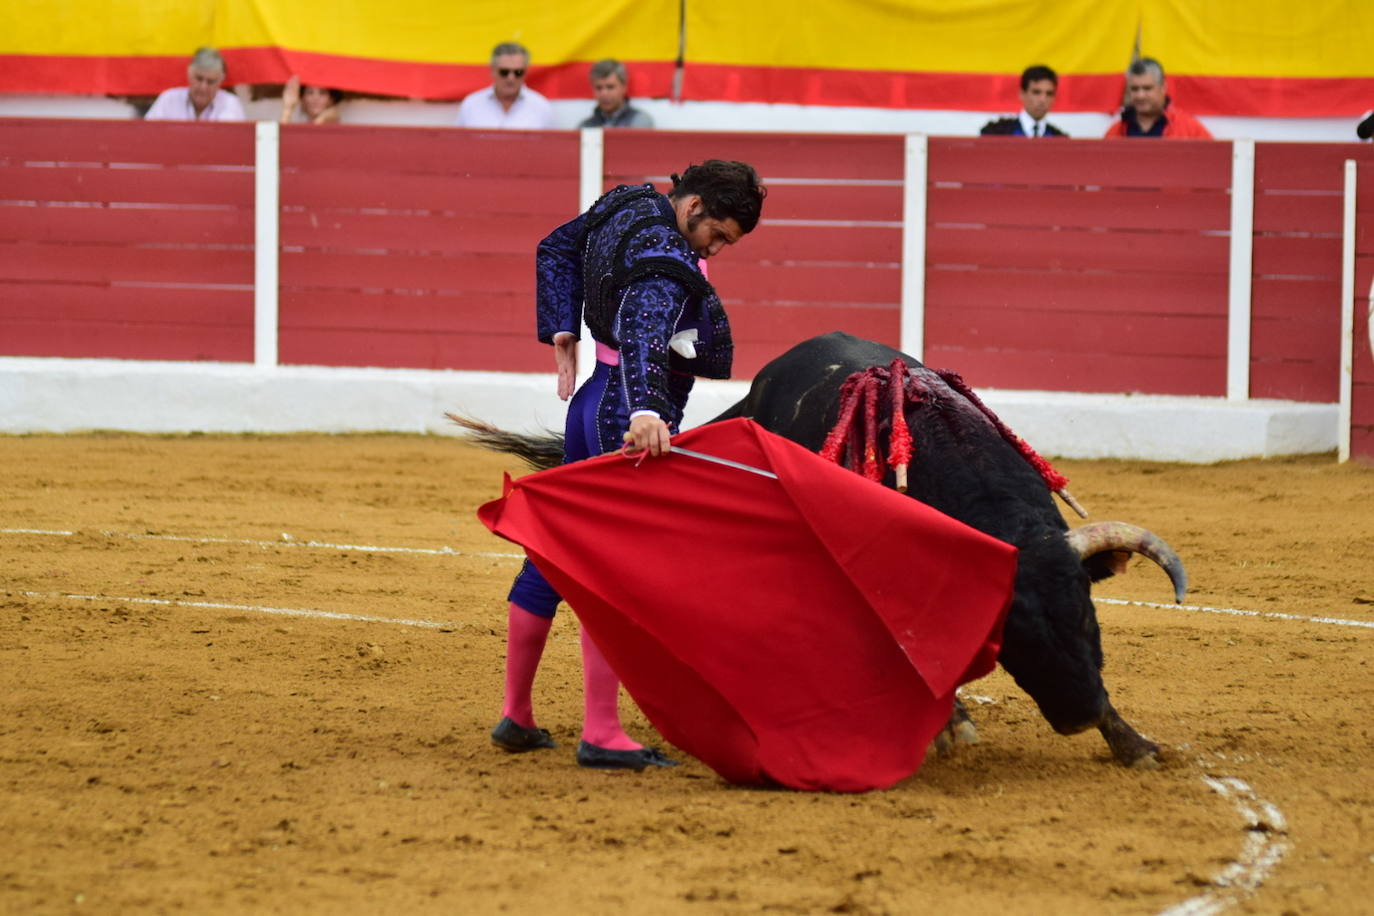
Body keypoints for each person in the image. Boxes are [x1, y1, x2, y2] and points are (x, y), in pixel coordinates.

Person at [490, 160, 767, 771]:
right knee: (618, 573)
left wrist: (562, 328)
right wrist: (645, 408)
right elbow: (644, 331)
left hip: (589, 402)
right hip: (624, 413)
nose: (716, 250)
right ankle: (603, 731)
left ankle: (517, 714)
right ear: (692, 207)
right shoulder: (667, 259)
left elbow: (556, 247)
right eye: (716, 234)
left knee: (552, 556)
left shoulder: (630, 202)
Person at [1104, 57, 1212, 139]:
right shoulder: (1115, 132)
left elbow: (1213, 165)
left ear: (1163, 87)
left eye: (1147, 88)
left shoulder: (1191, 131)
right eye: (1134, 89)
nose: (1140, 95)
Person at [455, 41, 554, 129]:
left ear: (526, 72)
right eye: (504, 72)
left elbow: (551, 147)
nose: (511, 78)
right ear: (492, 70)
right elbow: (459, 145)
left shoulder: (542, 107)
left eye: (518, 72)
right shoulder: (471, 105)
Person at [144, 47, 245, 122]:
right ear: (189, 74)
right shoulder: (168, 100)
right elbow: (147, 136)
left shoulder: (230, 104)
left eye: (210, 81)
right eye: (199, 79)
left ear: (220, 81)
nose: (203, 87)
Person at [980, 65, 1067, 137]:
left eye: (1049, 94)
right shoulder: (995, 133)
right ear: (1022, 94)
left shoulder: (1060, 139)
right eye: (1036, 92)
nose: (1043, 100)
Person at [578, 59, 654, 128]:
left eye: (610, 87)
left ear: (624, 87)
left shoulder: (639, 122)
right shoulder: (585, 127)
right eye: (599, 88)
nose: (604, 94)